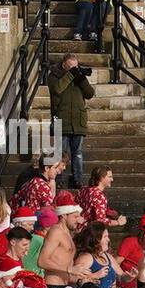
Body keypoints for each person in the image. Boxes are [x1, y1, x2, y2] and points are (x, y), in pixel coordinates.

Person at [47, 53, 96, 187]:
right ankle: (58, 179)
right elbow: (57, 89)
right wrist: (71, 74)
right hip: (61, 120)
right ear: (64, 64)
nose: (74, 69)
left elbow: (90, 94)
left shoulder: (77, 76)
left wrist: (81, 77)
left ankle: (77, 180)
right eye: (71, 67)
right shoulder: (54, 75)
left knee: (78, 153)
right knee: (61, 153)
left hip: (78, 121)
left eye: (76, 66)